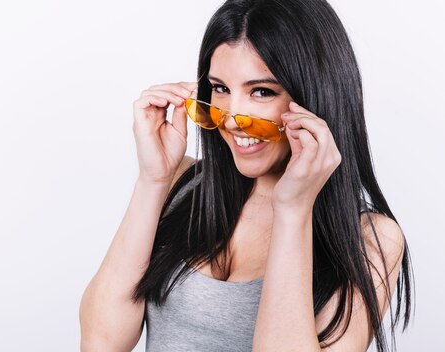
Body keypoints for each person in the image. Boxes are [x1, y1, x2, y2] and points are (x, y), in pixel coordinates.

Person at [79, 0, 413, 350]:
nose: (233, 117)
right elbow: (101, 342)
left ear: (315, 98)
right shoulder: (181, 184)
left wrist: (293, 210)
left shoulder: (372, 241)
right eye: (220, 88)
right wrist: (154, 180)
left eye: (262, 91)